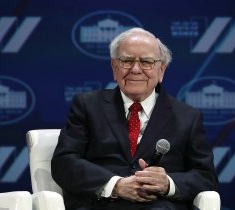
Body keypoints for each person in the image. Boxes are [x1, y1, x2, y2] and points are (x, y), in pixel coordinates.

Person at [51, 27, 218, 210]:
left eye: (146, 61)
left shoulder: (187, 117)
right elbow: (64, 163)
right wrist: (116, 185)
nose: (136, 69)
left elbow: (205, 176)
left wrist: (167, 183)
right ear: (115, 68)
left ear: (161, 70)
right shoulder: (87, 106)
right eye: (127, 61)